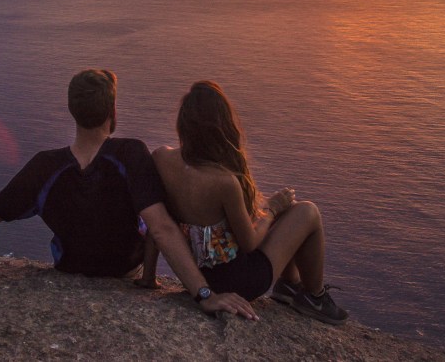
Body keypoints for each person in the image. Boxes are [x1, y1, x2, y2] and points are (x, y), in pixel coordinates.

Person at [0, 69, 256, 320]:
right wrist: (204, 293)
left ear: (72, 111)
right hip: (125, 273)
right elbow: (163, 229)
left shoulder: (44, 167)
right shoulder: (130, 153)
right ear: (113, 113)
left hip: (70, 272)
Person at [148, 80, 348, 325]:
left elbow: (157, 225)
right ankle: (315, 297)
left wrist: (148, 275)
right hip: (240, 281)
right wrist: (272, 208)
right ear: (222, 126)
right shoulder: (224, 182)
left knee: (279, 215)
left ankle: (291, 287)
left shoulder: (160, 158)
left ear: (183, 123)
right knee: (307, 212)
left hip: (200, 277)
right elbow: (249, 243)